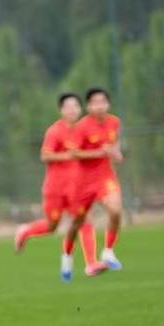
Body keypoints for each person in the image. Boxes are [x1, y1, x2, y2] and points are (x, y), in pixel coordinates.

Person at [14, 94, 107, 282]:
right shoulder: (55, 131)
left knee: (85, 220)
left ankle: (91, 263)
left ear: (81, 109)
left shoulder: (84, 131)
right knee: (52, 226)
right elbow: (45, 156)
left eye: (75, 106)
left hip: (76, 188)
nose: (72, 110)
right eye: (68, 106)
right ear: (61, 110)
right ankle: (25, 231)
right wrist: (69, 156)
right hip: (55, 189)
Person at [65, 88, 123, 271]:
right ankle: (67, 256)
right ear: (89, 106)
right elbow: (73, 153)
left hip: (105, 177)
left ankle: (107, 251)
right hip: (82, 182)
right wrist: (98, 153)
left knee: (115, 210)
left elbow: (115, 143)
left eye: (103, 102)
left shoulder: (114, 122)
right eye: (95, 102)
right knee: (77, 222)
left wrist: (116, 152)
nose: (100, 106)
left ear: (108, 104)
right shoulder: (81, 127)